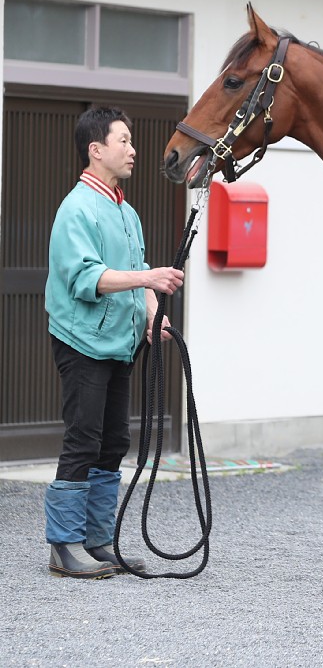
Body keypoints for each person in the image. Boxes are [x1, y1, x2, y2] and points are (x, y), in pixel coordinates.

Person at [43, 107, 184, 579]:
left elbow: (137, 274)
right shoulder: (76, 208)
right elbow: (88, 279)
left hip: (119, 343)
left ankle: (98, 540)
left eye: (131, 141)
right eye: (123, 141)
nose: (133, 150)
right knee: (83, 439)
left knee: (114, 441)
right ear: (96, 149)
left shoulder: (126, 210)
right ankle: (64, 546)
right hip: (82, 342)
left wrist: (150, 316)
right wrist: (148, 277)